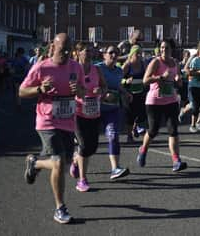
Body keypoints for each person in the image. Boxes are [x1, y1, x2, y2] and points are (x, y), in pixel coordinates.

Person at [19, 33, 85, 224]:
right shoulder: (42, 67)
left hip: (67, 120)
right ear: (52, 47)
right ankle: (60, 208)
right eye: (62, 48)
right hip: (47, 121)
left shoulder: (76, 67)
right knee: (57, 162)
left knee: (62, 165)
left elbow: (82, 91)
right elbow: (22, 91)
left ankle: (35, 163)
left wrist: (77, 91)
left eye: (68, 49)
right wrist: (39, 89)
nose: (65, 52)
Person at [137, 38, 188, 172]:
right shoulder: (156, 62)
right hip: (154, 101)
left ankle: (176, 160)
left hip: (170, 100)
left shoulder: (175, 63)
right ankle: (143, 149)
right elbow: (145, 80)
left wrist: (178, 80)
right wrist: (160, 77)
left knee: (173, 131)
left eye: (167, 48)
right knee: (153, 130)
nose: (164, 50)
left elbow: (179, 83)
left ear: (172, 50)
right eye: (162, 48)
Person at [69, 42, 106, 192]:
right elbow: (66, 88)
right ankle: (82, 180)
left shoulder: (96, 69)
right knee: (84, 145)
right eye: (86, 51)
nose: (90, 54)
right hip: (77, 112)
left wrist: (101, 90)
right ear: (77, 53)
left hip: (94, 112)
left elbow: (105, 87)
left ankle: (76, 161)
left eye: (91, 51)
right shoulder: (72, 70)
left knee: (92, 147)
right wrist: (77, 90)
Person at [96, 46, 131, 180]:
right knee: (89, 143)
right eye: (111, 52)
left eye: (116, 53)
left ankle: (115, 168)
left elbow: (117, 85)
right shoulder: (97, 68)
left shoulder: (119, 71)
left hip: (113, 108)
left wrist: (125, 92)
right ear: (104, 55)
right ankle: (77, 161)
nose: (114, 55)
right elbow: (90, 84)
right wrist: (104, 93)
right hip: (96, 109)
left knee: (113, 135)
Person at [122, 45, 148, 142]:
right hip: (129, 94)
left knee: (141, 113)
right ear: (132, 55)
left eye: (140, 53)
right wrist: (126, 81)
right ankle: (129, 136)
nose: (139, 55)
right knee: (130, 115)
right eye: (137, 53)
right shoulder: (127, 66)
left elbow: (147, 75)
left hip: (140, 93)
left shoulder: (143, 64)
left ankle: (135, 127)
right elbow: (118, 79)